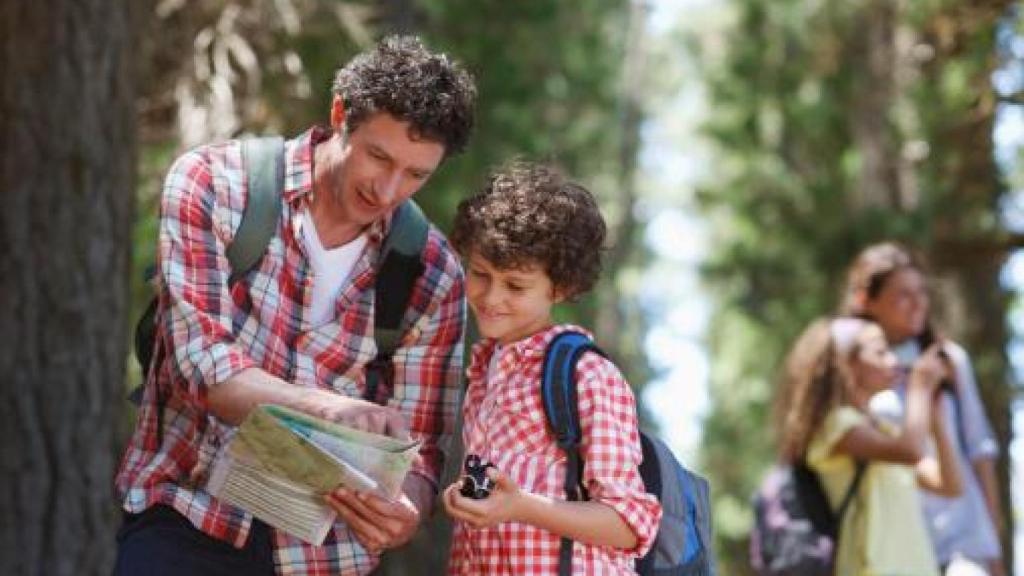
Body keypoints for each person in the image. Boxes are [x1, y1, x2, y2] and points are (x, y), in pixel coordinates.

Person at [114, 36, 476, 576]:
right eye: (378, 156)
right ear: (339, 116)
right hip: (187, 519)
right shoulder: (214, 184)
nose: (389, 189)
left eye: (417, 174)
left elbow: (421, 449)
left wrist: (409, 511)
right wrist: (328, 406)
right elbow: (202, 369)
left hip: (326, 558)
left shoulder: (433, 271)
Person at [441, 162, 662, 574]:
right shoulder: (483, 373)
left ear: (559, 287)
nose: (491, 297)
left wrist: (522, 507)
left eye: (516, 286)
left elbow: (630, 522)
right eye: (480, 274)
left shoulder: (586, 376)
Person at [841, 242, 1005, 576]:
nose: (917, 304)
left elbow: (978, 449)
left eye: (922, 292)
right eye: (903, 294)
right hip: (901, 543)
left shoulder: (949, 361)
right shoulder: (854, 373)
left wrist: (994, 543)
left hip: (963, 538)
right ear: (866, 301)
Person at [775, 316, 962, 575]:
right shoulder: (836, 426)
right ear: (846, 364)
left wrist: (935, 415)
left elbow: (949, 485)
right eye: (881, 352)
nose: (894, 361)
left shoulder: (884, 430)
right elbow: (910, 451)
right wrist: (919, 387)